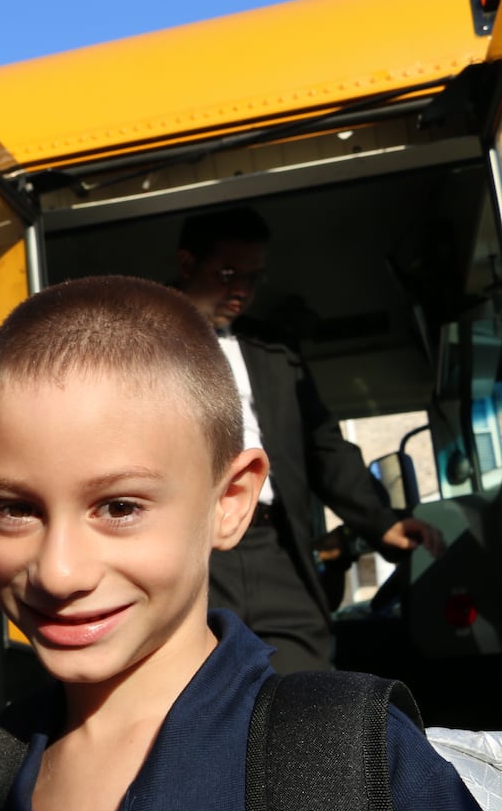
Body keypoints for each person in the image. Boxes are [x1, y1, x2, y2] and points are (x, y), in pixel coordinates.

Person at [0, 275, 498, 811]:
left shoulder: (354, 762)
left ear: (231, 504)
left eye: (119, 506)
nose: (59, 572)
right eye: (13, 508)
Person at [175, 206, 445, 673]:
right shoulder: (139, 340)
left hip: (278, 546)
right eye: (227, 272)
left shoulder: (274, 349)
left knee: (308, 687)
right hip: (188, 548)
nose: (241, 289)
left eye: (253, 277)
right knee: (197, 690)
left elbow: (324, 445)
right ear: (186, 264)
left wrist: (380, 522)